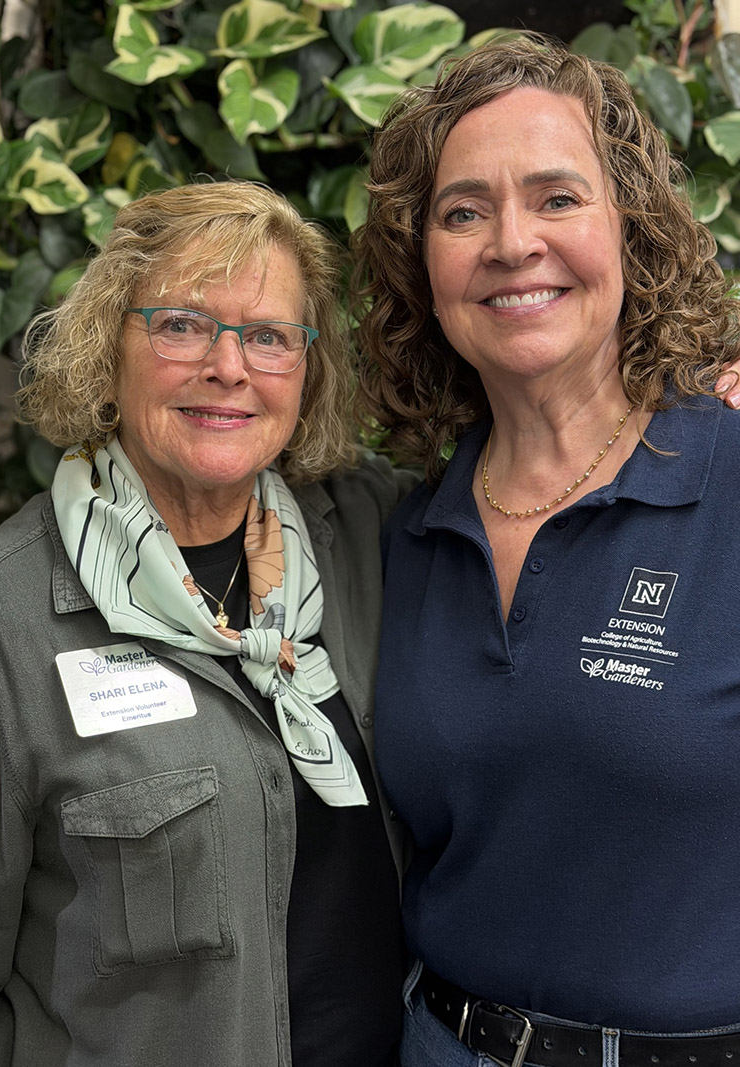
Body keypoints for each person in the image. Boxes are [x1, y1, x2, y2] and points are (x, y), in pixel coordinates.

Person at [0, 182, 409, 1066]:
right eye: (183, 324)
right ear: (106, 345)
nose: (228, 367)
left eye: (269, 336)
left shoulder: (364, 537)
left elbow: (536, 463)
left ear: (307, 373)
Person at [353, 35, 740, 1067]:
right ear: (420, 264)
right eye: (462, 210)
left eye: (556, 197)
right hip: (434, 1040)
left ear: (631, 230)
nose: (509, 242)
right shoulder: (404, 530)